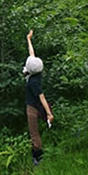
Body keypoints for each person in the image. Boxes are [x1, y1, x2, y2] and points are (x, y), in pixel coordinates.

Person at [23, 29, 54, 165]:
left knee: (34, 134)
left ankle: (37, 158)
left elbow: (42, 98)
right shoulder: (35, 73)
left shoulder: (33, 82)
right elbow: (32, 53)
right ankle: (38, 155)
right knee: (35, 133)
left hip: (32, 108)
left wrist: (49, 114)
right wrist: (29, 39)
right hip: (35, 105)